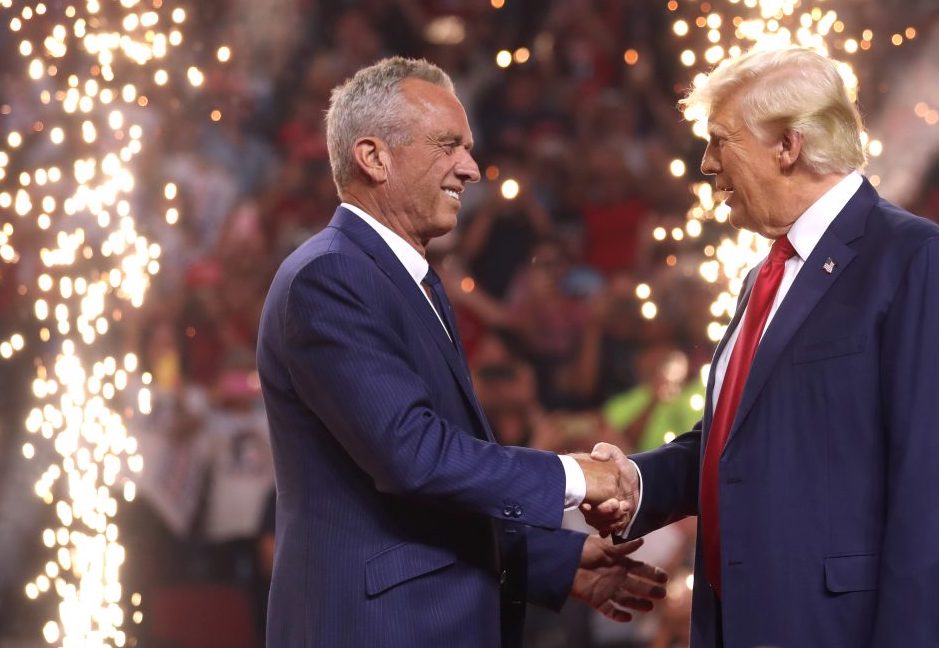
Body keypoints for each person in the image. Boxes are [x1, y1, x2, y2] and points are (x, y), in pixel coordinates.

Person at [582, 46, 939, 647]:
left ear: (789, 145)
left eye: (720, 140)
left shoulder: (914, 259)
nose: (706, 165)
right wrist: (638, 483)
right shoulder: (766, 277)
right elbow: (739, 441)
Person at [257, 56, 664, 647]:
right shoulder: (331, 278)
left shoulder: (407, 279)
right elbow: (414, 456)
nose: (471, 169)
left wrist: (553, 562)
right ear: (374, 157)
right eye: (448, 145)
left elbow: (426, 504)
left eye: (468, 148)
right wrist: (577, 475)